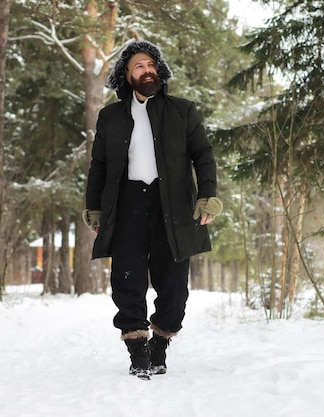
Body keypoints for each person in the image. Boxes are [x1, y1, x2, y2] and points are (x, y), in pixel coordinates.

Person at [82, 40, 222, 380]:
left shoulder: (182, 111)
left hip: (171, 206)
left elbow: (203, 155)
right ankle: (137, 351)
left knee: (174, 286)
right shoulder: (110, 117)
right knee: (127, 281)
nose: (147, 70)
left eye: (150, 64)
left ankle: (160, 344)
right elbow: (98, 165)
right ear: (126, 77)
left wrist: (207, 196)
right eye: (138, 66)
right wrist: (94, 208)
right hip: (127, 205)